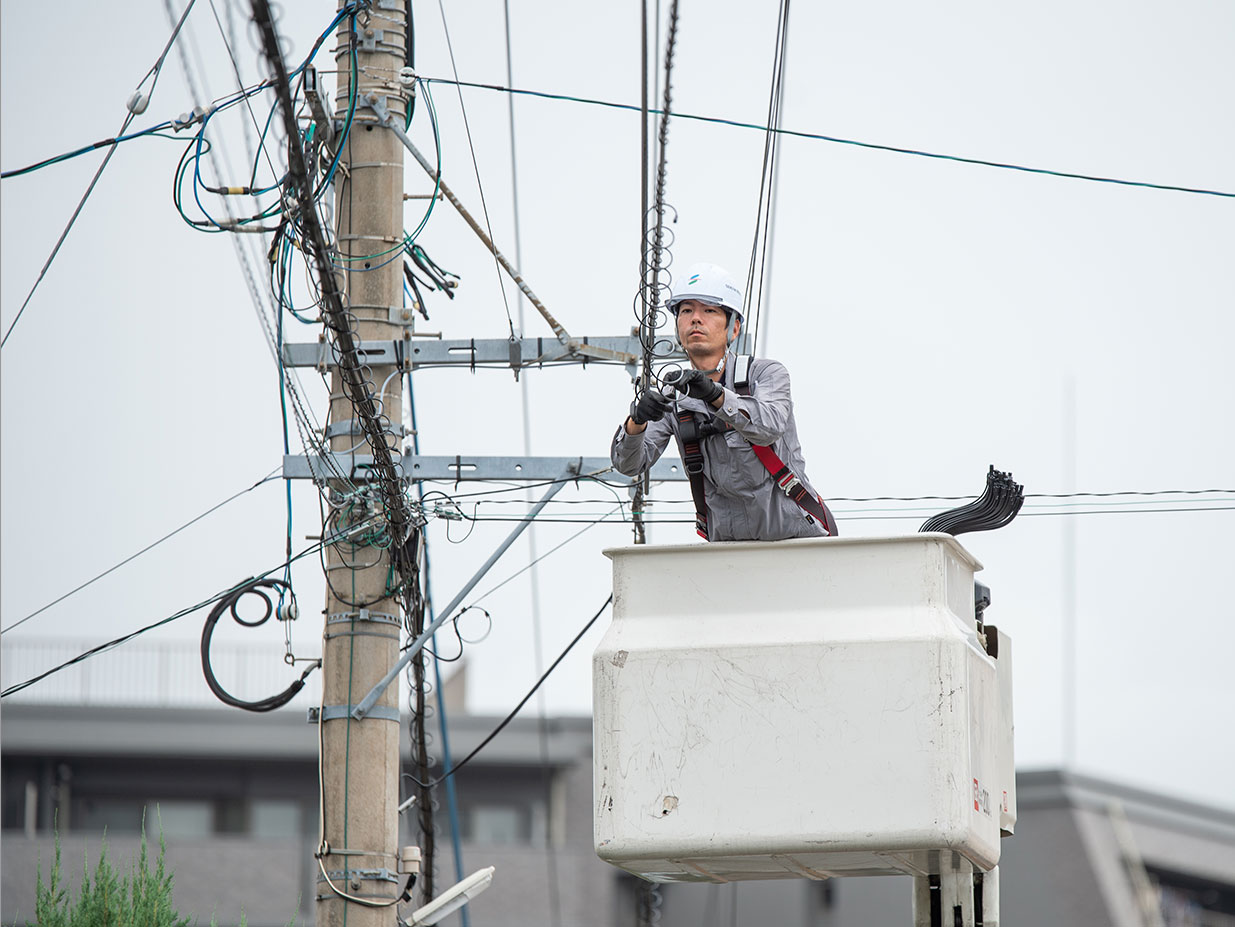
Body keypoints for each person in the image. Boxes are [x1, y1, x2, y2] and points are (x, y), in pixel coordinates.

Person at [611, 262, 836, 542]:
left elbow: (769, 426)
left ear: (734, 327)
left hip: (797, 542)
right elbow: (629, 465)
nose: (696, 319)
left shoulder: (764, 374)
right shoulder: (674, 398)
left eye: (709, 311)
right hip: (728, 554)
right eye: (686, 310)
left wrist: (715, 395)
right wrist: (637, 423)